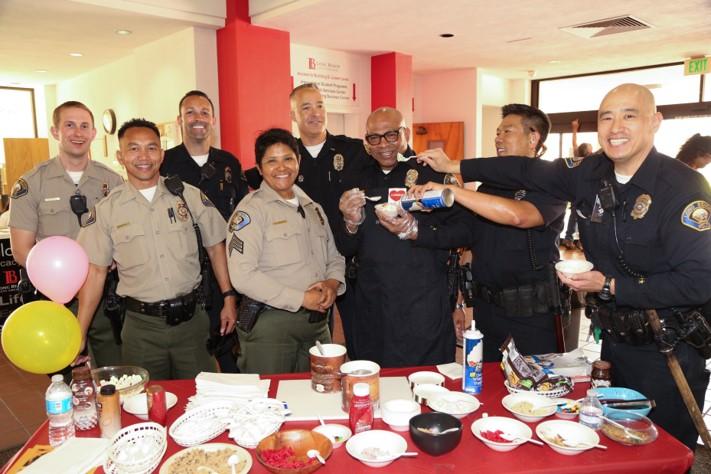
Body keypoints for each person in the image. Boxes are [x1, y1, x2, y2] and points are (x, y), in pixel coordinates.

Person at [419, 83, 711, 451]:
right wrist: (454, 165)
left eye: (629, 116)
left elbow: (699, 282)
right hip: (614, 346)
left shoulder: (683, 187)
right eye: (607, 117)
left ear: (655, 122)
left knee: (663, 451)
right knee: (615, 444)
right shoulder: (590, 173)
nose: (615, 126)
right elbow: (525, 169)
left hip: (666, 348)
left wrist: (610, 285)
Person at [75, 118, 237, 380]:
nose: (143, 157)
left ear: (161, 154)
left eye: (151, 148)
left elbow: (215, 246)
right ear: (120, 156)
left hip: (191, 324)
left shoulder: (188, 195)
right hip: (141, 329)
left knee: (202, 397)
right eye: (133, 148)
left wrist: (229, 297)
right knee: (144, 402)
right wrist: (80, 332)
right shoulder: (107, 210)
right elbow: (95, 272)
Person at [409, 104, 567, 361]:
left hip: (531, 315)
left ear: (533, 137)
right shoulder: (487, 188)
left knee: (534, 390)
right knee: (489, 385)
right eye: (497, 132)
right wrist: (459, 304)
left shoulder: (551, 182)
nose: (498, 138)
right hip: (487, 312)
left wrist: (453, 190)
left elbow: (517, 215)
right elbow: (469, 245)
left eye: (507, 131)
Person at [336, 107, 472, 367]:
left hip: (423, 298)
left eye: (391, 135)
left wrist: (417, 231)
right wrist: (350, 223)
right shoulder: (355, 177)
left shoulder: (433, 173)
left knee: (426, 378)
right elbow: (345, 246)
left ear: (406, 133)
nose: (383, 145)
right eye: (374, 138)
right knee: (373, 375)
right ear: (366, 141)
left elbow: (466, 231)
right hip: (372, 300)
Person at [8, 100, 124, 368]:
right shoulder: (31, 183)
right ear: (55, 131)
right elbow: (21, 250)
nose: (78, 133)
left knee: (114, 376)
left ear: (94, 133)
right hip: (56, 299)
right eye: (69, 125)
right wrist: (62, 280)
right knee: (66, 377)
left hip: (107, 298)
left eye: (84, 126)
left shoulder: (113, 182)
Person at [226, 128, 345, 374]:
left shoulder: (313, 208)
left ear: (299, 161)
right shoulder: (250, 212)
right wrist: (302, 299)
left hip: (317, 325)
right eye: (272, 161)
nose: (282, 167)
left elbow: (334, 257)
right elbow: (243, 276)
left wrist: (332, 284)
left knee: (318, 396)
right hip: (271, 327)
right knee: (270, 401)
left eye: (288, 158)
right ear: (259, 168)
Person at [160, 90, 248, 373]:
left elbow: (243, 215)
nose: (197, 118)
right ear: (179, 120)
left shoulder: (229, 164)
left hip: (227, 269)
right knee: (192, 355)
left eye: (204, 112)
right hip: (181, 272)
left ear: (213, 119)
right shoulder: (164, 164)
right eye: (190, 112)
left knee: (230, 347)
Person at [562, 118, 594, 250]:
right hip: (584, 193)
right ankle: (581, 241)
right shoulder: (591, 160)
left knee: (575, 217)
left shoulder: (577, 158)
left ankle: (569, 239)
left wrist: (574, 129)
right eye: (591, 149)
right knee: (585, 219)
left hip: (575, 193)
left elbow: (574, 144)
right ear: (588, 152)